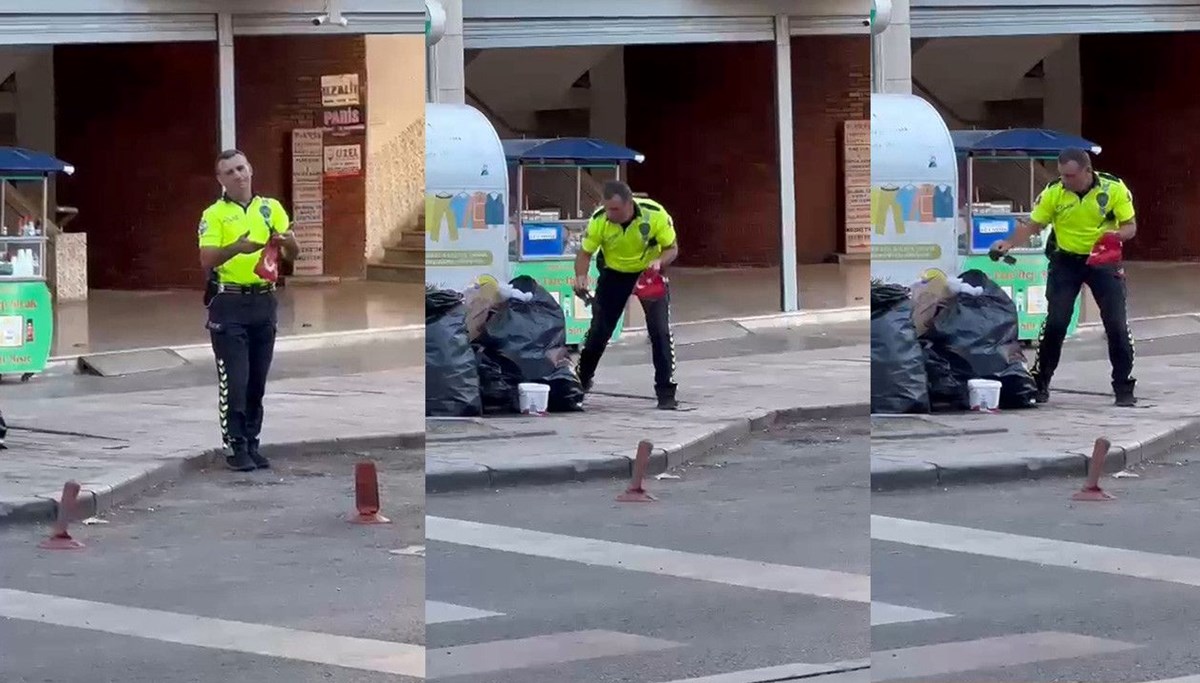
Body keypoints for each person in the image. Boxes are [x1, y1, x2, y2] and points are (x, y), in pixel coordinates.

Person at [991, 147, 1137, 407]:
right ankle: (1041, 382)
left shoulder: (1113, 189)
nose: (1066, 181)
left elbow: (1130, 226)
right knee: (1056, 323)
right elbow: (1034, 224)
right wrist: (1008, 243)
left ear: (1087, 171)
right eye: (1062, 176)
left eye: (1071, 176)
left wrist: (1114, 236)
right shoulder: (1054, 192)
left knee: (1116, 325)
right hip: (1066, 261)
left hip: (1103, 261)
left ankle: (1123, 385)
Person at [198, 149, 298, 471]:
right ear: (221, 180)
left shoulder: (271, 209)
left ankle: (253, 441)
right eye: (229, 172)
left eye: (241, 168)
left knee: (257, 381)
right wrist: (235, 249)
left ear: (251, 169)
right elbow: (207, 259)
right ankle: (235, 445)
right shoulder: (213, 214)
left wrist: (286, 243)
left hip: (263, 301)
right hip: (229, 304)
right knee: (235, 381)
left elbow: (294, 254)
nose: (238, 176)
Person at [572, 181, 680, 410]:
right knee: (599, 331)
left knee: (660, 331)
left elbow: (672, 248)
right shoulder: (600, 220)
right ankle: (581, 381)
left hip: (648, 273)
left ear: (629, 204)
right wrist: (581, 277)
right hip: (614, 274)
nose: (610, 214)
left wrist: (660, 261)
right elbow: (585, 253)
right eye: (607, 208)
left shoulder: (655, 214)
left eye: (615, 210)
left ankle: (666, 391)